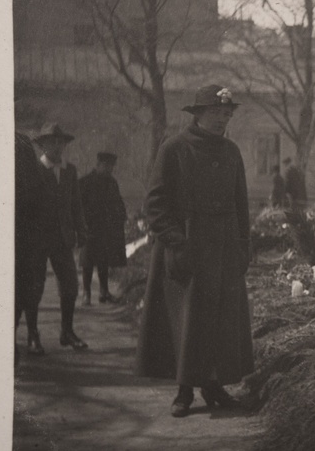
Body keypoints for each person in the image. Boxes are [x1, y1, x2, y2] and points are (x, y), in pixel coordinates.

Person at [136, 84, 254, 418]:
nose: (223, 120)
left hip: (224, 251)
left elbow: (240, 204)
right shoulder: (174, 149)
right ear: (198, 114)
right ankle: (184, 391)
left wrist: (243, 245)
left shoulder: (231, 152)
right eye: (217, 114)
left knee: (220, 321)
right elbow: (155, 205)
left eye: (227, 114)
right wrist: (177, 241)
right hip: (186, 250)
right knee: (189, 323)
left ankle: (214, 386)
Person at [32, 123, 89, 351]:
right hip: (38, 239)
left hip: (63, 238)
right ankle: (33, 335)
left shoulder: (70, 171)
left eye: (60, 142)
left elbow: (76, 204)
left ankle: (67, 331)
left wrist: (81, 230)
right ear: (42, 145)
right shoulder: (35, 170)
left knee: (70, 286)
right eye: (51, 142)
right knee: (34, 287)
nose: (57, 147)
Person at [15, 131, 49, 361]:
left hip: (25, 236)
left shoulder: (24, 147)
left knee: (28, 286)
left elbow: (38, 201)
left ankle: (31, 333)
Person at [79, 152, 127, 305]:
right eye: (106, 166)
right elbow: (78, 206)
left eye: (111, 167)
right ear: (98, 164)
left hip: (106, 229)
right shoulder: (85, 182)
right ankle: (86, 293)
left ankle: (104, 292)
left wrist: (121, 218)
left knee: (104, 261)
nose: (109, 169)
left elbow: (118, 203)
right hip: (89, 228)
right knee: (87, 262)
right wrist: (82, 225)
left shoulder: (112, 183)